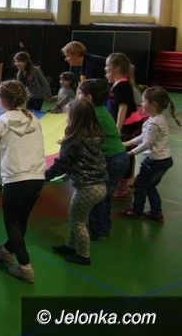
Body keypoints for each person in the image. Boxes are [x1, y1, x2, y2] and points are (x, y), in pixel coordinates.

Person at [0, 81, 45, 283]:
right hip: (37, 177)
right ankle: (5, 251)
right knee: (21, 221)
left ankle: (25, 267)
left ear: (1, 100)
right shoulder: (34, 120)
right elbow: (39, 147)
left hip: (16, 179)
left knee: (12, 223)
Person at [45, 99, 107, 266]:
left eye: (68, 115)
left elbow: (62, 164)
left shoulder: (73, 140)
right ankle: (70, 245)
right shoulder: (94, 135)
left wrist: (46, 176)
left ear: (74, 118)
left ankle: (83, 255)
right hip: (99, 185)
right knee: (76, 216)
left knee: (78, 221)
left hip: (87, 187)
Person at [76, 79, 129, 239]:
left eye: (80, 93)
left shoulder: (92, 113)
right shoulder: (100, 110)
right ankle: (103, 227)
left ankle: (97, 229)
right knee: (105, 196)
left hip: (112, 159)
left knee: (98, 196)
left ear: (89, 97)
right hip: (119, 157)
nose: (78, 96)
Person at [120, 87, 179, 223]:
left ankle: (137, 211)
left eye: (143, 101)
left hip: (155, 162)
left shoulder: (154, 123)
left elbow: (147, 144)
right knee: (150, 186)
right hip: (163, 161)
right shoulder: (156, 118)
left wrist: (130, 153)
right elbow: (143, 137)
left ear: (153, 105)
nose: (141, 104)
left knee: (140, 186)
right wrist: (127, 143)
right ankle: (156, 213)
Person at [104, 53, 139, 199]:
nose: (105, 69)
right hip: (125, 125)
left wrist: (117, 129)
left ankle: (122, 186)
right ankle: (122, 183)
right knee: (123, 153)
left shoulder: (123, 85)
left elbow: (123, 107)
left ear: (117, 68)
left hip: (128, 127)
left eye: (108, 66)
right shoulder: (117, 84)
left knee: (125, 155)